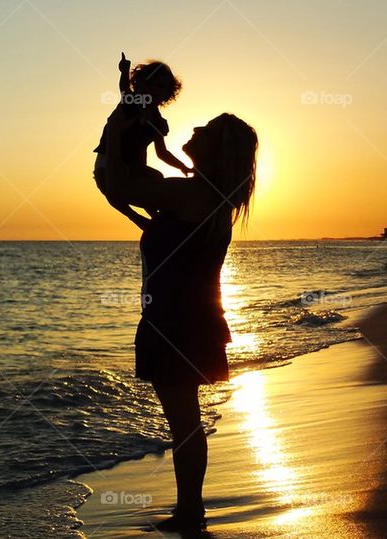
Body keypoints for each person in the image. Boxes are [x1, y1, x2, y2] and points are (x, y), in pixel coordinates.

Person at [102, 108, 258, 531]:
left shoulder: (196, 195)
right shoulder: (205, 196)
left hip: (177, 321)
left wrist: (117, 123)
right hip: (184, 317)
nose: (194, 129)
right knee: (184, 419)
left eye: (205, 130)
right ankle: (190, 507)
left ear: (218, 149)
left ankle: (190, 511)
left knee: (184, 421)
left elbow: (117, 184)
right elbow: (135, 188)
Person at [94, 53, 192, 230]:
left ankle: (157, 216)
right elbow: (124, 87)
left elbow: (162, 153)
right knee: (111, 190)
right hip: (107, 163)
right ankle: (136, 218)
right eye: (148, 83)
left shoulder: (158, 123)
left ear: (168, 94)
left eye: (160, 86)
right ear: (138, 84)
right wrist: (124, 71)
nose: (152, 89)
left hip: (135, 167)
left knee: (156, 178)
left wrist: (182, 166)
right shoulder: (131, 103)